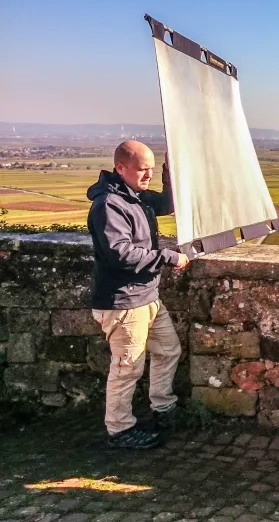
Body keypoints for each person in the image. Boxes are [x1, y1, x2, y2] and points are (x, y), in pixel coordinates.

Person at [87, 140, 189, 450]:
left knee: (168, 350)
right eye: (142, 170)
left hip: (146, 296)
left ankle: (162, 408)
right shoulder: (109, 205)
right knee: (128, 366)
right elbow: (121, 254)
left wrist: (170, 172)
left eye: (151, 169)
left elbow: (168, 204)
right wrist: (169, 257)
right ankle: (119, 429)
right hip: (122, 302)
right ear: (121, 168)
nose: (147, 175)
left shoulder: (136, 197)